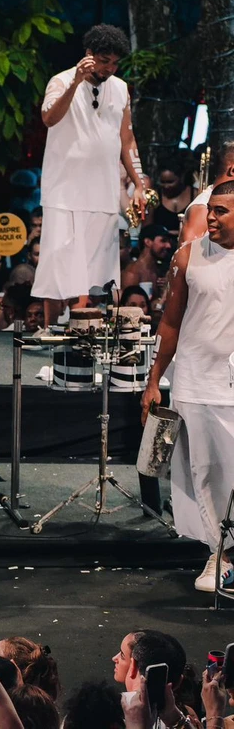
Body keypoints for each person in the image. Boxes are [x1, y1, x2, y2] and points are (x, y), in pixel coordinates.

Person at [142, 184, 234, 592]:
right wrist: (154, 379)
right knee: (205, 472)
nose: (210, 218)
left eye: (221, 212)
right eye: (210, 210)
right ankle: (220, 554)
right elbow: (170, 323)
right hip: (195, 380)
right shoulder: (188, 256)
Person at [33, 24, 146, 329]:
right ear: (88, 55)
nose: (109, 68)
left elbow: (127, 139)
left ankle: (83, 328)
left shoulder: (121, 89)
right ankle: (50, 327)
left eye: (114, 63)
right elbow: (48, 118)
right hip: (64, 190)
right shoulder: (60, 81)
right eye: (104, 61)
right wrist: (75, 83)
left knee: (96, 269)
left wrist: (139, 183)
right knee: (59, 262)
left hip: (103, 191)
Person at [121, 224, 173, 301]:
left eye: (168, 241)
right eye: (163, 241)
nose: (169, 246)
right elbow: (128, 307)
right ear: (148, 242)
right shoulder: (132, 273)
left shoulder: (159, 270)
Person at [152, 151, 199, 235]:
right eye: (163, 182)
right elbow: (148, 228)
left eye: (170, 182)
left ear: (181, 177)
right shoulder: (155, 196)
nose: (166, 186)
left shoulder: (195, 194)